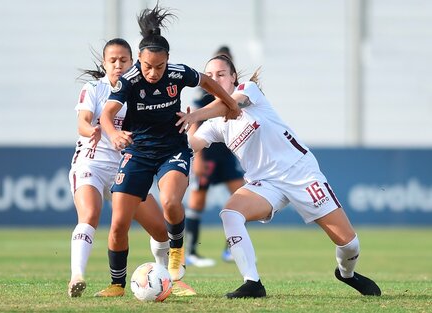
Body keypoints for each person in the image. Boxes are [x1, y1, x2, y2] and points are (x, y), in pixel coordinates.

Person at [176, 55, 382, 298]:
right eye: (209, 76)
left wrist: (195, 115)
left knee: (349, 244)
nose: (215, 79)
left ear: (233, 77)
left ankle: (346, 273)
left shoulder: (248, 91)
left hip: (300, 172)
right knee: (230, 213)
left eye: (221, 74)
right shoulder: (213, 125)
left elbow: (231, 105)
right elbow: (190, 146)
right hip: (265, 184)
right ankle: (252, 283)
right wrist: (180, 125)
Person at [94, 4, 240, 298]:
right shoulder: (130, 80)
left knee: (172, 202)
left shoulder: (177, 74)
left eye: (158, 67)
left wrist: (230, 103)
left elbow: (208, 81)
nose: (152, 72)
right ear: (139, 60)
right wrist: (113, 134)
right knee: (119, 222)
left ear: (168, 61)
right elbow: (107, 114)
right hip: (138, 152)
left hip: (173, 150)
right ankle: (117, 284)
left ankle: (176, 254)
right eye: (147, 66)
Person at [68, 38, 170, 297]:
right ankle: (77, 275)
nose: (118, 65)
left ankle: (162, 279)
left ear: (132, 61)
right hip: (91, 162)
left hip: (126, 167)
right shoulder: (93, 88)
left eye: (123, 60)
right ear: (104, 63)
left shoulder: (141, 90)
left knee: (160, 229)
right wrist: (92, 130)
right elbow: (83, 121)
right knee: (90, 214)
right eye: (112, 60)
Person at [185, 46, 245, 267]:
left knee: (242, 196)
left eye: (223, 71)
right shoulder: (204, 94)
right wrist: (197, 157)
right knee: (197, 199)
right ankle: (191, 251)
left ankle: (231, 249)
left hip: (228, 154)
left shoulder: (242, 92)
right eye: (213, 73)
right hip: (207, 153)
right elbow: (195, 121)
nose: (217, 77)